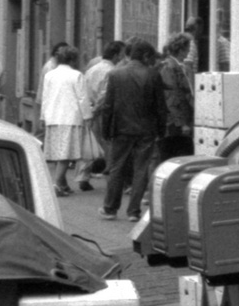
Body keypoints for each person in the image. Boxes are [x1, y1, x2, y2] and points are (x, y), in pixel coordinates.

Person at [98, 37, 167, 222]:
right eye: (152, 57)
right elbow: (160, 107)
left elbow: (108, 106)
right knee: (141, 169)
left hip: (120, 129)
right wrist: (162, 130)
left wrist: (105, 130)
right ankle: (133, 211)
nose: (153, 61)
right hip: (146, 130)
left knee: (116, 168)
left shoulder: (115, 75)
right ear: (145, 56)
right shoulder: (153, 75)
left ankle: (110, 208)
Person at [38, 48, 91, 197]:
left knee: (58, 151)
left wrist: (43, 117)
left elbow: (45, 97)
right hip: (70, 117)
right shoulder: (76, 75)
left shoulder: (50, 75)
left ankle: (62, 183)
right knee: (66, 154)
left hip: (52, 117)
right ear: (73, 60)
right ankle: (56, 184)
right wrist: (87, 116)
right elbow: (82, 98)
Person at [75, 40, 126, 190]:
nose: (123, 57)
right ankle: (111, 177)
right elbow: (105, 94)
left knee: (89, 144)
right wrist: (97, 108)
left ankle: (83, 176)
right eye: (122, 54)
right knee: (108, 146)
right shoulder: (112, 71)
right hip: (103, 111)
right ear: (116, 55)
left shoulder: (92, 69)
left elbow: (84, 90)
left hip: (89, 110)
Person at [158, 33, 196, 161]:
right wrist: (182, 123)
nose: (189, 52)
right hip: (175, 124)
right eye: (187, 49)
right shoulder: (170, 67)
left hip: (177, 122)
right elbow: (172, 96)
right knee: (177, 156)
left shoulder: (176, 66)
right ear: (181, 50)